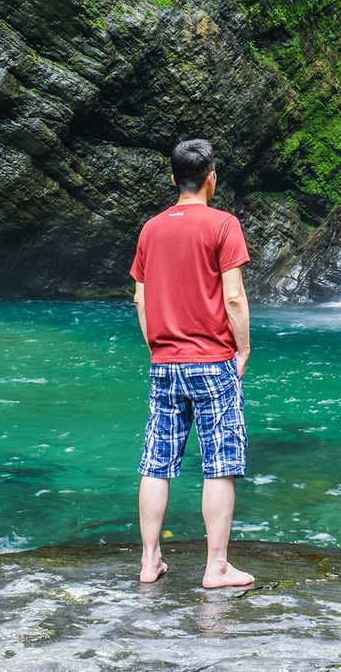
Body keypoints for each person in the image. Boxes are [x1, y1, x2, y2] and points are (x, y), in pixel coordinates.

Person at [129, 137, 255, 588]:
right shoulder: (223, 225)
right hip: (212, 360)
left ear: (172, 178)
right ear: (212, 178)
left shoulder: (151, 229)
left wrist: (156, 348)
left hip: (164, 362)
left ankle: (149, 562)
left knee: (156, 460)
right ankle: (216, 566)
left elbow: (140, 298)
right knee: (219, 463)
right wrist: (242, 350)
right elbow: (234, 297)